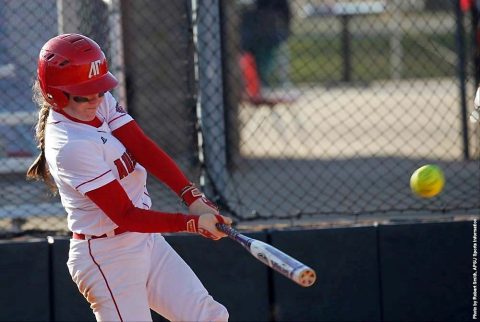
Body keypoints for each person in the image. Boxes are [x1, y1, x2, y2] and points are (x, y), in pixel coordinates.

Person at [26, 33, 232, 322]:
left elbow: (141, 146)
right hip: (107, 256)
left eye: (99, 90)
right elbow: (125, 214)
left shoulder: (96, 100)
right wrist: (192, 224)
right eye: (85, 93)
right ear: (56, 94)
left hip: (144, 239)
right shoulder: (70, 145)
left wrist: (191, 196)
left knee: (208, 317)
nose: (96, 99)